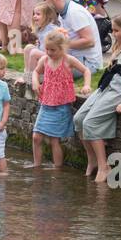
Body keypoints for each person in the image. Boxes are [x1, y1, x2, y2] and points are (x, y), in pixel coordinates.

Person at [73, 13, 121, 182]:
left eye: (117, 30)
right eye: (112, 30)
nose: (113, 34)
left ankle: (104, 166)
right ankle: (92, 160)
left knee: (90, 122)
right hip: (108, 85)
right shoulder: (120, 45)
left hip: (120, 89)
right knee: (78, 119)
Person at [30, 31, 91, 169]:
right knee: (36, 137)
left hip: (61, 105)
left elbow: (86, 71)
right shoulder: (44, 60)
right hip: (46, 103)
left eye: (53, 50)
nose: (49, 52)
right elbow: (36, 71)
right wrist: (35, 82)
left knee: (54, 140)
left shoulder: (68, 60)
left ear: (62, 48)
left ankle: (57, 169)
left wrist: (86, 85)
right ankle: (36, 166)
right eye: (47, 49)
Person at [34, 0, 103, 79]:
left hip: (88, 63)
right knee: (32, 51)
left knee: (43, 69)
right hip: (74, 58)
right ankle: (30, 80)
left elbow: (89, 41)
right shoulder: (63, 13)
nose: (44, 3)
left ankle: (31, 81)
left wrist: (60, 45)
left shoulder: (74, 12)